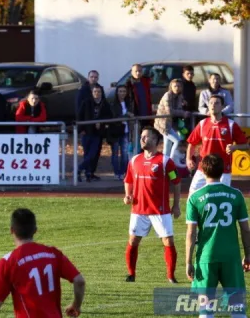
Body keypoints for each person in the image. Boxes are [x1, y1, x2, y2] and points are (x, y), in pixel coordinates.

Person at [186, 154, 250, 318]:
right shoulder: (236, 195)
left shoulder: (194, 198)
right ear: (222, 171)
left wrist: (188, 261)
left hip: (206, 258)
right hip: (231, 257)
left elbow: (191, 233)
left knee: (206, 310)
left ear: (203, 170)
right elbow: (245, 229)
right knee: (237, 310)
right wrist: (248, 255)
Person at [0, 208, 86, 317]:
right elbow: (79, 281)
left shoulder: (8, 261)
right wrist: (76, 305)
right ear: (35, 230)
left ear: (12, 230)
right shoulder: (53, 253)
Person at [123, 127, 181, 283]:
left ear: (156, 141)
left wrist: (176, 205)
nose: (142, 139)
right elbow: (128, 180)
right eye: (142, 136)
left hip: (160, 211)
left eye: (146, 137)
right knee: (133, 241)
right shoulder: (134, 160)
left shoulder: (165, 161)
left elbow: (176, 182)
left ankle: (170, 276)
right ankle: (131, 274)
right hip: (138, 210)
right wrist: (128, 195)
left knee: (168, 241)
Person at [186, 94, 249, 195]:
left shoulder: (231, 124)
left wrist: (235, 147)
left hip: (223, 170)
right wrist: (188, 159)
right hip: (203, 168)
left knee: (220, 198)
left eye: (216, 103)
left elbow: (246, 146)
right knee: (192, 195)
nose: (213, 105)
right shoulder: (202, 123)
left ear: (222, 106)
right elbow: (191, 143)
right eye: (211, 103)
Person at [77, 84, 112, 182]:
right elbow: (80, 116)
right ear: (92, 93)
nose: (97, 93)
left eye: (99, 92)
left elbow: (109, 116)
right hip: (86, 132)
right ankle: (87, 173)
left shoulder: (105, 104)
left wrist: (100, 122)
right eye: (95, 92)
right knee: (87, 154)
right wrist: (81, 129)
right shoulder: (86, 102)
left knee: (93, 154)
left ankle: (79, 169)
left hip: (97, 133)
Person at [154, 79, 191, 159]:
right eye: (175, 86)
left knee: (167, 144)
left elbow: (178, 109)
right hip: (163, 123)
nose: (177, 88)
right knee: (177, 141)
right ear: (171, 87)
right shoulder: (167, 95)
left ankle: (165, 162)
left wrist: (184, 107)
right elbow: (169, 111)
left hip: (171, 123)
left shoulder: (180, 96)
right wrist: (183, 113)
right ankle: (170, 161)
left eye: (179, 86)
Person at [107, 85, 132, 180]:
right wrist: (126, 115)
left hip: (125, 131)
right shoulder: (113, 104)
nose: (122, 93)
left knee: (125, 153)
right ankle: (116, 172)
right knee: (115, 153)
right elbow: (114, 117)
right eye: (120, 91)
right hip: (116, 132)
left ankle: (123, 172)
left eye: (124, 91)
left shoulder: (128, 103)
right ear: (117, 92)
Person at [181, 65, 197, 130]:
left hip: (190, 111)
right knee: (182, 132)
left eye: (192, 73)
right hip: (181, 112)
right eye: (188, 73)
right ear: (183, 74)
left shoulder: (192, 85)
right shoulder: (180, 84)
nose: (190, 75)